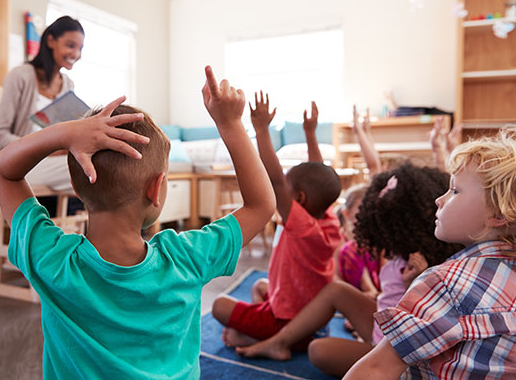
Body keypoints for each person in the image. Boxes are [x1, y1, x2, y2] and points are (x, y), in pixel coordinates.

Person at [0, 66, 276, 379]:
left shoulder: (53, 261)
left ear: (77, 186)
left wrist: (65, 132)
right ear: (157, 189)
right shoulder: (187, 257)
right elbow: (261, 206)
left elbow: (4, 170)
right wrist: (232, 125)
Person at [236, 164, 462, 378]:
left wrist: (412, 285)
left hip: (394, 349)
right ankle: (278, 341)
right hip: (386, 323)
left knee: (319, 350)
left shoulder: (423, 262)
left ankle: (278, 340)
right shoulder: (402, 248)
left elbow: (423, 325)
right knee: (336, 290)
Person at [345, 127, 516, 379]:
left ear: (498, 214)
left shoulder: (446, 283)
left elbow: (376, 369)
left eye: (455, 191)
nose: (439, 199)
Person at [212, 92, 343, 350]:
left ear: (300, 198)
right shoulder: (327, 219)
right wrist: (310, 133)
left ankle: (274, 341)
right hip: (313, 317)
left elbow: (276, 180)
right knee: (261, 286)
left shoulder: (301, 227)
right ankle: (273, 335)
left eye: (290, 191)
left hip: (287, 321)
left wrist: (261, 130)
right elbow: (319, 172)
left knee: (219, 306)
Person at [0, 15, 84, 193]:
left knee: (94, 164)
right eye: (70, 45)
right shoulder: (20, 76)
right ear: (51, 41)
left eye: (80, 48)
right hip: (22, 164)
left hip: (53, 163)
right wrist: (42, 148)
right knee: (88, 170)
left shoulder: (68, 85)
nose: (76, 54)